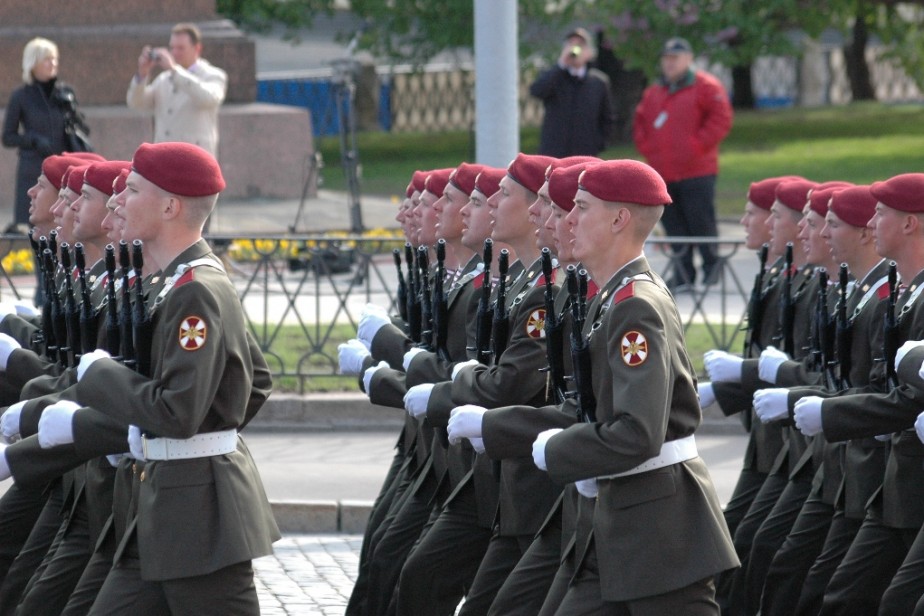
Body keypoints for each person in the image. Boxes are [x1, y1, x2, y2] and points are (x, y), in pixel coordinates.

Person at [531, 159, 739, 613]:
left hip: (662, 534)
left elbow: (637, 432)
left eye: (581, 207)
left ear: (618, 219)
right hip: (622, 522)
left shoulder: (635, 307)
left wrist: (561, 449)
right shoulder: (611, 299)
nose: (567, 219)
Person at [633, 37, 733, 292]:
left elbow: (721, 119)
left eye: (675, 59)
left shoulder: (706, 86)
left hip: (697, 170)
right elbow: (641, 124)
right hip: (664, 172)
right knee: (674, 224)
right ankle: (683, 272)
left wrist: (696, 147)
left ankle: (711, 266)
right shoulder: (655, 92)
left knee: (701, 221)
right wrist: (651, 151)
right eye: (666, 59)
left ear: (688, 59)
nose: (669, 64)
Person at [3, 37, 88, 233]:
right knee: (33, 224)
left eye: (55, 59)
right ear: (33, 63)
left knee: (64, 220)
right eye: (47, 59)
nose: (53, 64)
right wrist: (32, 139)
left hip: (64, 167)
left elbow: (82, 127)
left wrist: (72, 116)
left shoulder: (65, 92)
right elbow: (8, 136)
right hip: (33, 169)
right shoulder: (21, 96)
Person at [127, 23, 227, 156]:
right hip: (164, 157)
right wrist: (142, 75)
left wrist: (175, 71)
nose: (175, 53)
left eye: (181, 48)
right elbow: (136, 104)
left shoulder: (214, 75)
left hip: (196, 159)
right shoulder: (164, 79)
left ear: (197, 48)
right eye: (172, 48)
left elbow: (208, 99)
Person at [530, 28, 614, 157]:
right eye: (571, 44)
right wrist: (561, 65)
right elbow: (537, 91)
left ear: (589, 52)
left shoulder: (598, 82)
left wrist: (598, 143)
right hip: (554, 153)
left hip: (585, 154)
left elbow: (607, 119)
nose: (575, 48)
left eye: (581, 45)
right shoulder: (554, 77)